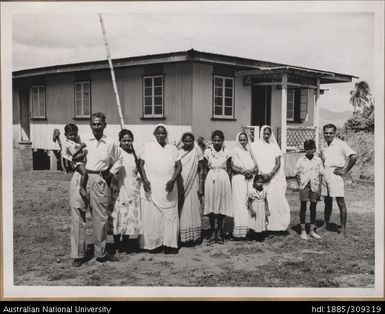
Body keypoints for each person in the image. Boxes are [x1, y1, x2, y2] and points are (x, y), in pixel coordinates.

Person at [70, 112, 121, 267]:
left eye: (99, 124)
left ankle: (101, 253)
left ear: (104, 125)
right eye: (93, 124)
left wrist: (110, 173)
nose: (96, 127)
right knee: (78, 215)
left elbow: (119, 159)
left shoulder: (111, 142)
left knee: (100, 217)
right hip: (80, 177)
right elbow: (68, 154)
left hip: (99, 179)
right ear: (90, 125)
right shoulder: (82, 139)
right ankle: (78, 254)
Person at [139, 124, 182, 254]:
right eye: (158, 133)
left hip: (168, 187)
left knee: (170, 216)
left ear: (166, 135)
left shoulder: (172, 149)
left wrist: (173, 180)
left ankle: (169, 244)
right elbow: (141, 164)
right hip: (152, 186)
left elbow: (179, 166)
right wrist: (145, 180)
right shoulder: (148, 147)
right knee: (153, 216)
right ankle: (154, 244)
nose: (161, 135)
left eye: (163, 133)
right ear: (154, 134)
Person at [250, 125, 290, 232]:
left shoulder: (274, 146)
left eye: (268, 134)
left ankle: (274, 224)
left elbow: (278, 162)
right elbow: (254, 161)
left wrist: (271, 174)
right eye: (264, 133)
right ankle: (261, 225)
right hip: (261, 177)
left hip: (272, 177)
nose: (266, 136)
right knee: (260, 200)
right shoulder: (255, 146)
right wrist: (262, 175)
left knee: (273, 200)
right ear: (261, 133)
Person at [320, 124, 357, 237]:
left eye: (331, 133)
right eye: (326, 133)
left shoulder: (341, 144)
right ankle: (325, 224)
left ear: (335, 133)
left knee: (340, 202)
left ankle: (343, 229)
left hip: (336, 174)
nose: (328, 135)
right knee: (327, 201)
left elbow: (353, 156)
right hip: (326, 174)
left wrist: (345, 170)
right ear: (324, 133)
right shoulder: (323, 145)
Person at [110, 129, 144, 254]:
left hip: (132, 187)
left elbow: (138, 171)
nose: (126, 143)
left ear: (132, 141)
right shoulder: (117, 153)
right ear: (120, 141)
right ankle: (116, 243)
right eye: (124, 140)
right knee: (117, 215)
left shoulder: (135, 155)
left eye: (129, 140)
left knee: (129, 216)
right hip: (119, 188)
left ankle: (126, 242)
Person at [202, 130, 233, 245]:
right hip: (211, 178)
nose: (217, 142)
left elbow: (229, 169)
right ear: (212, 141)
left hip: (223, 179)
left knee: (221, 205)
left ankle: (219, 231)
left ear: (222, 141)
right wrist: (205, 181)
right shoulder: (207, 152)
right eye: (215, 140)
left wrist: (228, 183)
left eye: (219, 140)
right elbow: (205, 168)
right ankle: (212, 231)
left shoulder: (227, 152)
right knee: (211, 205)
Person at [231, 132, 259, 240]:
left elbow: (257, 167)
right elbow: (231, 166)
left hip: (249, 179)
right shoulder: (234, 151)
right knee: (240, 204)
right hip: (238, 179)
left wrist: (250, 171)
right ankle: (239, 231)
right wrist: (243, 172)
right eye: (241, 140)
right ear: (238, 140)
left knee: (249, 203)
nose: (243, 142)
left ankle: (249, 229)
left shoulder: (249, 152)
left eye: (244, 140)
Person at [177, 132, 204, 245]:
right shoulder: (178, 152)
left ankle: (195, 236)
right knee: (182, 208)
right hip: (181, 183)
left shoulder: (197, 151)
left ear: (193, 141)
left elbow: (201, 170)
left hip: (194, 182)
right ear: (182, 141)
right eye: (186, 141)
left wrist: (201, 186)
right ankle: (183, 236)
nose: (188, 143)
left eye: (190, 141)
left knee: (194, 206)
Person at [295, 139, 323, 240]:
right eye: (307, 149)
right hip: (304, 185)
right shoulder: (301, 159)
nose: (309, 151)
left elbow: (320, 175)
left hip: (314, 185)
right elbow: (297, 174)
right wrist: (300, 185)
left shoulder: (318, 160)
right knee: (303, 206)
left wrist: (319, 188)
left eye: (311, 149)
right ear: (304, 149)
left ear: (314, 149)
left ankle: (311, 230)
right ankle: (303, 230)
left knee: (313, 207)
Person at [61, 124, 89, 206]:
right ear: (65, 135)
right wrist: (72, 158)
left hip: (81, 158)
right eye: (70, 135)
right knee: (84, 173)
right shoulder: (66, 143)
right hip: (76, 162)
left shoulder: (77, 139)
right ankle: (82, 187)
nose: (73, 136)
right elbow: (65, 154)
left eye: (74, 134)